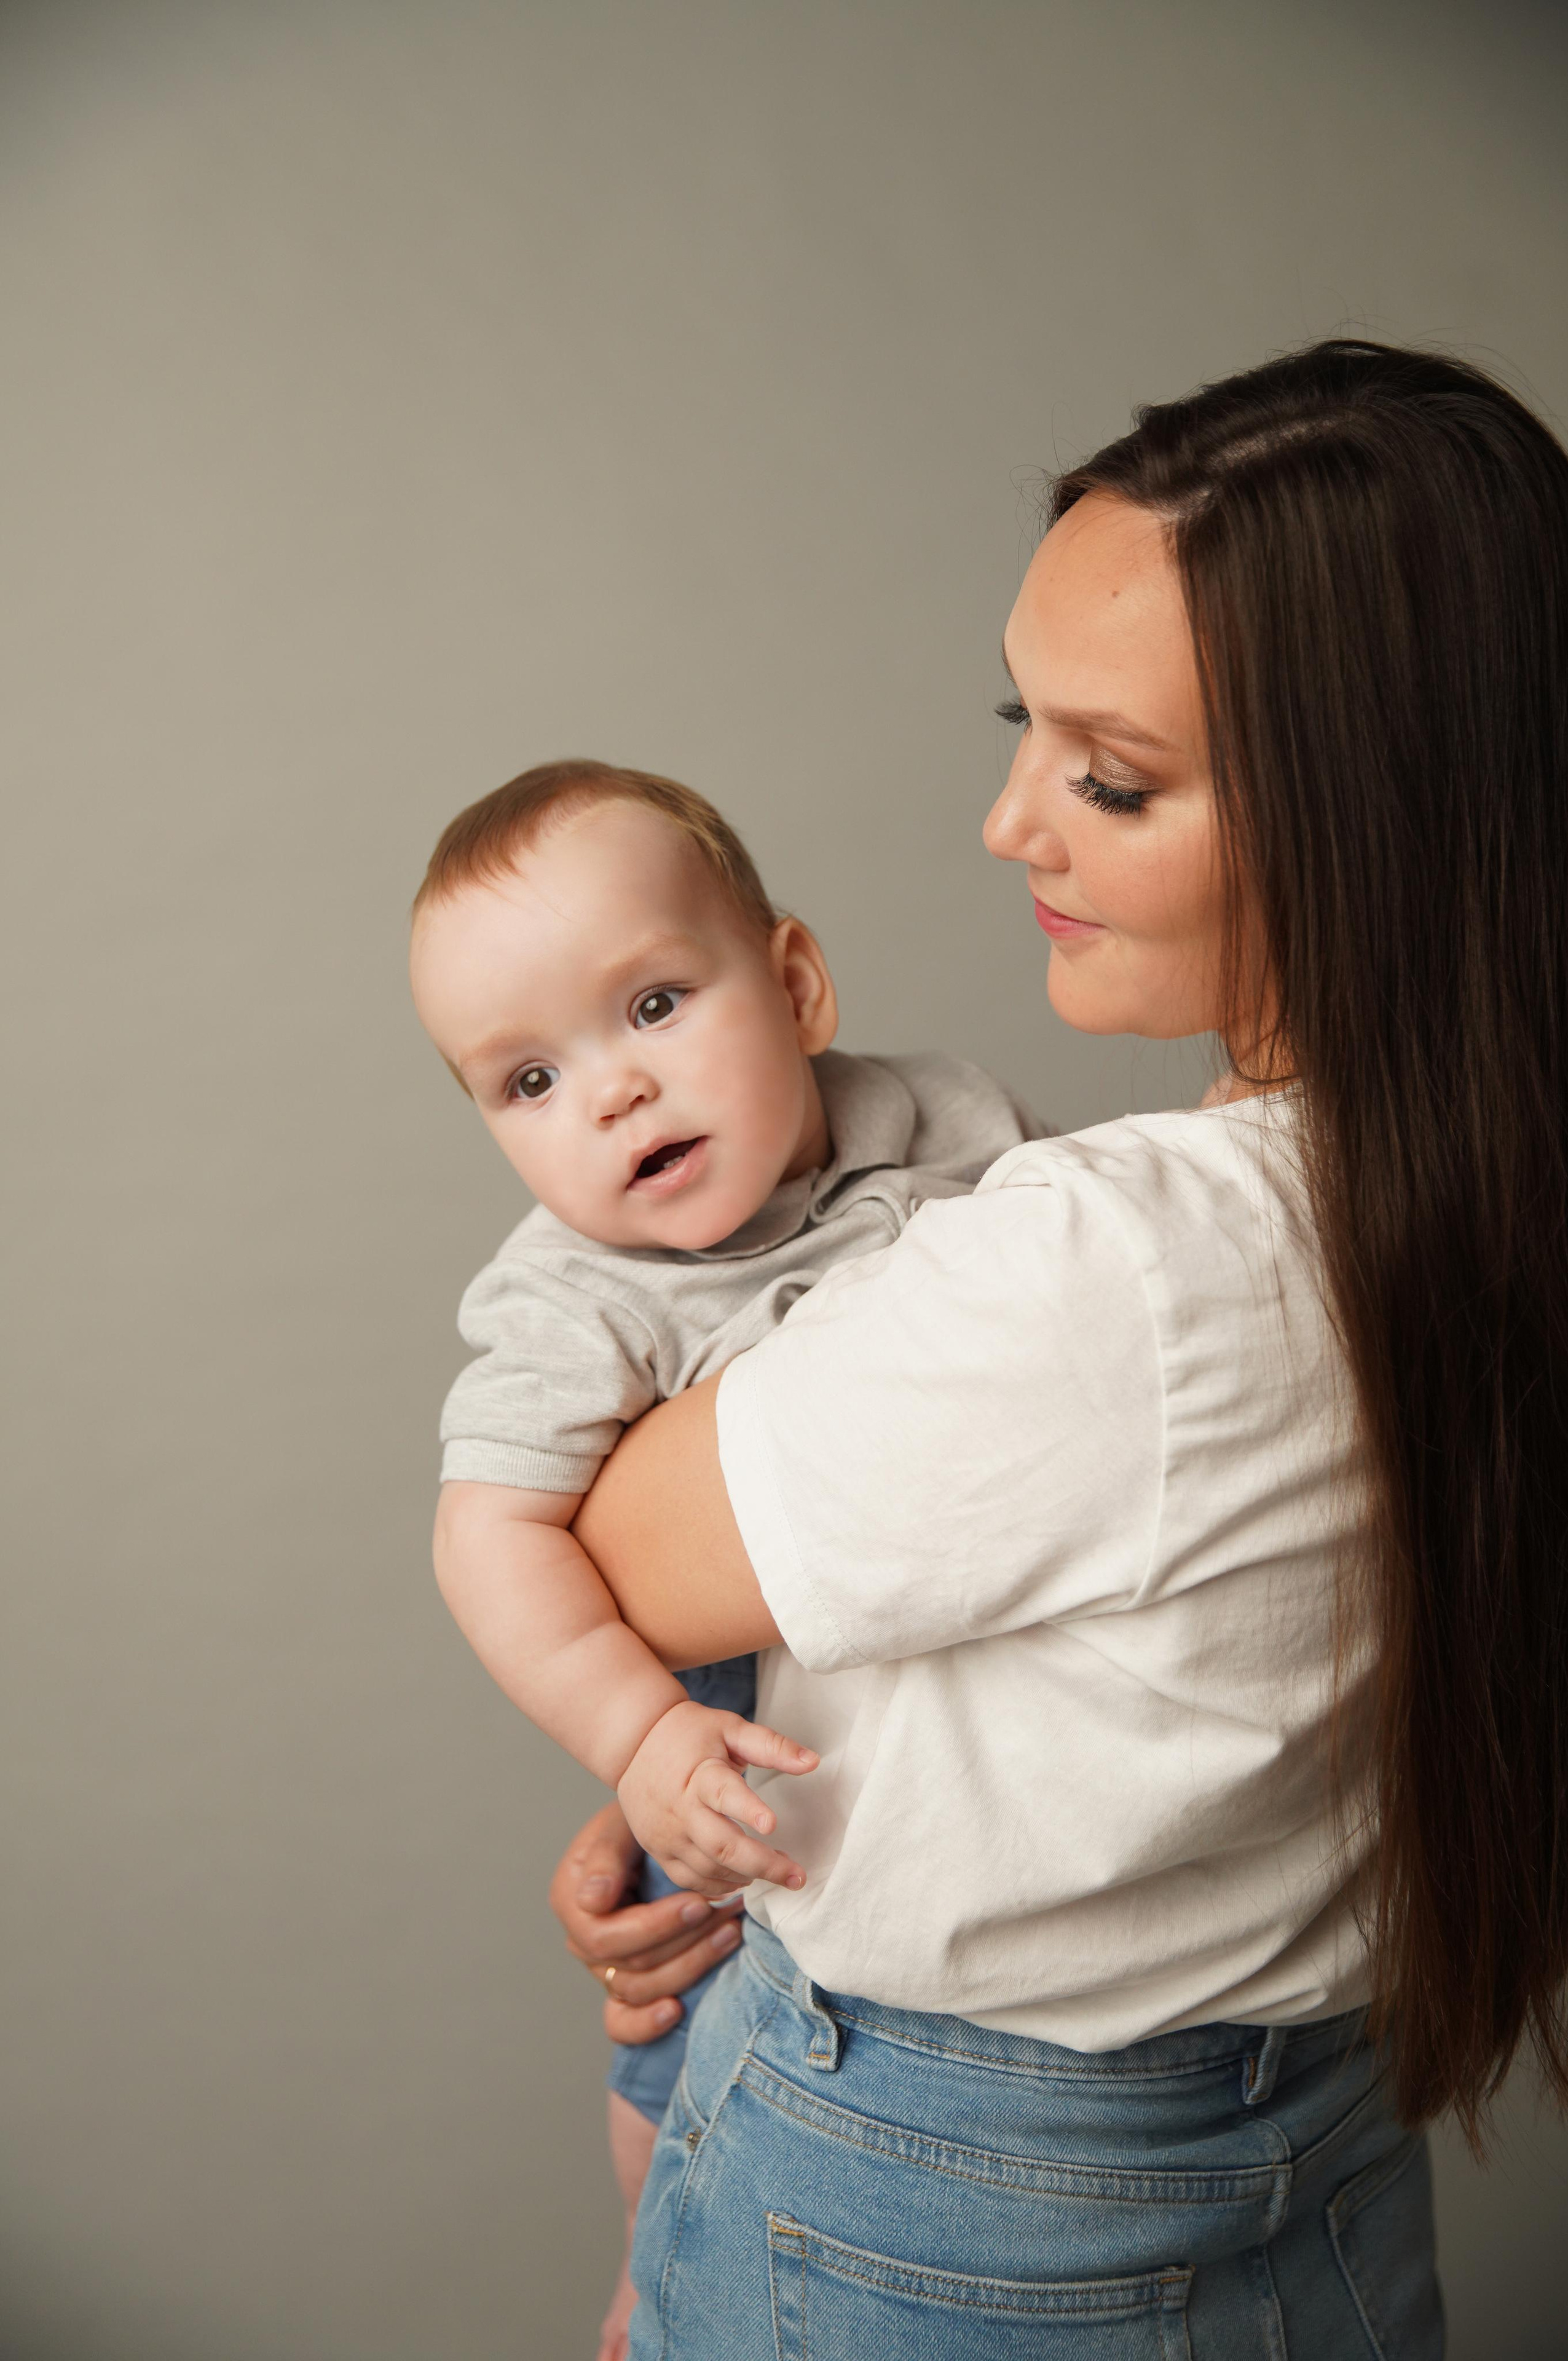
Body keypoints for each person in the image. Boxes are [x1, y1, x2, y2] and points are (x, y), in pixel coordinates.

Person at [551, 339, 1568, 2358]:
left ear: (1379, 815)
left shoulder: (1126, 1264)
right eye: (1024, 725)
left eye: (1115, 778)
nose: (1010, 819)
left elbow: (618, 1543)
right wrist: (707, 1796)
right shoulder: (1481, 1191)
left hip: (940, 2206)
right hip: (1314, 2158)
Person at [406, 761, 1046, 2353]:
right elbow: (488, 1532)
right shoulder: (577, 1298)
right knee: (680, 2008)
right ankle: (655, 2271)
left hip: (981, 1739)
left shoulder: (952, 1123)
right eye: (528, 1080)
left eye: (653, 1006)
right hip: (745, 1745)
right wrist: (638, 1738)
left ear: (798, 984)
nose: (611, 1092)